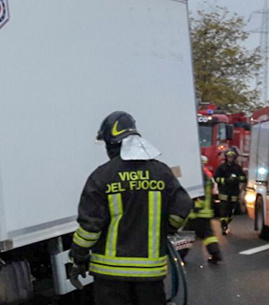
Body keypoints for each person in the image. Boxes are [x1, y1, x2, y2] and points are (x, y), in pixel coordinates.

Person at [69, 111, 193, 305]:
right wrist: (168, 228)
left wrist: (78, 256)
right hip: (150, 276)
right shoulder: (161, 172)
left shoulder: (101, 176)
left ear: (111, 143)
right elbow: (182, 207)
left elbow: (90, 229)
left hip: (110, 278)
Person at [185, 157, 222, 264]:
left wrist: (196, 207)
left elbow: (199, 194)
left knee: (186, 235)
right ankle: (216, 254)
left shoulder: (199, 176)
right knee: (208, 235)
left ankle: (179, 256)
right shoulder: (206, 174)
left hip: (197, 212)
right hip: (205, 212)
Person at [213, 148, 246, 235]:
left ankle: (227, 222)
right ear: (226, 157)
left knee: (231, 211)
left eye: (231, 157)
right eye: (229, 157)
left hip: (234, 192)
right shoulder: (222, 167)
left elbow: (243, 178)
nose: (230, 158)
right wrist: (226, 180)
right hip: (224, 192)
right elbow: (216, 178)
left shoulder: (237, 168)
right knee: (223, 210)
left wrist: (236, 179)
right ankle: (223, 226)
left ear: (234, 158)